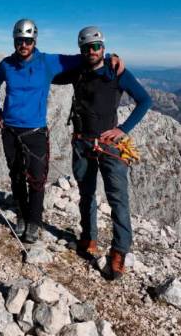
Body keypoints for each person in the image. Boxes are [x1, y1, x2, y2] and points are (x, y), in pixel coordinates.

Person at [0, 19, 124, 244]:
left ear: (34, 41)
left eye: (28, 41)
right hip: (10, 129)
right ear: (14, 41)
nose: (23, 45)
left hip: (35, 131)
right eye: (20, 41)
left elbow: (84, 57)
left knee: (37, 179)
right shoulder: (6, 64)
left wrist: (110, 57)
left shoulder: (47, 62)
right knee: (16, 175)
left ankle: (34, 222)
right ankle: (21, 217)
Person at [70, 26, 151, 280]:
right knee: (86, 194)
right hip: (82, 142)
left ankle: (119, 252)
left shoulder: (116, 72)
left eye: (96, 46)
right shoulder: (78, 70)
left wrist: (123, 129)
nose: (92, 51)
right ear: (81, 50)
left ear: (103, 48)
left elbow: (145, 100)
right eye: (86, 48)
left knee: (118, 199)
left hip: (109, 145)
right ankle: (88, 239)